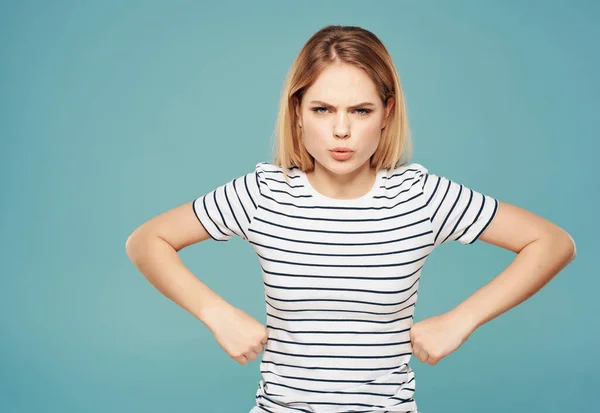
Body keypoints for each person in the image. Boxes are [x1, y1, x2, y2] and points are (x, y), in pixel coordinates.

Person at [125, 25, 577, 413]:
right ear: (297, 113)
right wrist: (216, 313)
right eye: (323, 109)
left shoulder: (420, 197)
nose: (341, 130)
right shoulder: (265, 194)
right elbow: (147, 240)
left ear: (387, 114)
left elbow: (552, 242)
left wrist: (462, 319)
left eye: (361, 111)